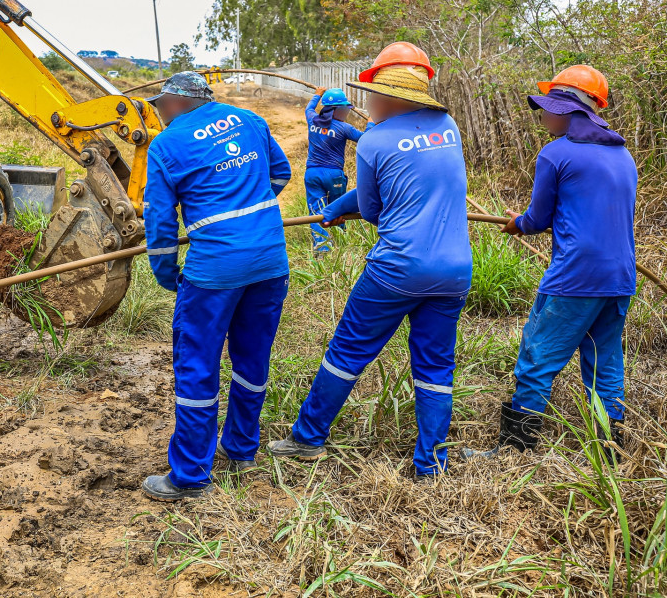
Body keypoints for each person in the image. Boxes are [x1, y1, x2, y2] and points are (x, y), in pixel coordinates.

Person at [268, 42, 472, 479]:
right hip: (455, 270)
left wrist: (341, 206)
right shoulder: (447, 124)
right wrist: (342, 202)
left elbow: (376, 209)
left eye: (372, 93)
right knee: (435, 366)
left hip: (397, 268)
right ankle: (430, 463)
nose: (365, 103)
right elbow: (403, 180)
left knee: (347, 350)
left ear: (393, 97)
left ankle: (307, 437)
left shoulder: (375, 141)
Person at [141, 71, 293, 501]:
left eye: (159, 105)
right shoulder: (250, 120)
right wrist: (249, 209)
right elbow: (279, 174)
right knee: (252, 359)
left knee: (197, 367)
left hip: (214, 273)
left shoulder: (166, 145)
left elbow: (159, 220)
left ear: (175, 102)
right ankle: (242, 450)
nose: (158, 113)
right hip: (269, 260)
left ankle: (189, 476)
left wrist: (167, 272)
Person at [471, 65, 636, 458]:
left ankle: (515, 449)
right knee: (605, 365)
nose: (542, 114)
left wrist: (518, 224)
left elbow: (538, 219)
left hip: (575, 277)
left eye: (549, 107)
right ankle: (609, 449)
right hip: (620, 277)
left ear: (570, 111)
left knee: (535, 358)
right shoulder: (623, 154)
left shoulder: (556, 153)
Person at [304, 87, 363, 253]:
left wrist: (317, 93)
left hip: (312, 174)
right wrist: (372, 122)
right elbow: (367, 138)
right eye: (345, 109)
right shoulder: (344, 128)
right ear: (336, 110)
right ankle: (341, 243)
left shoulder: (312, 119)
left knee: (316, 210)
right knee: (339, 207)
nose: (347, 113)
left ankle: (322, 248)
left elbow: (308, 108)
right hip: (334, 175)